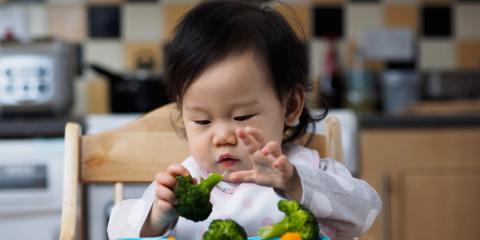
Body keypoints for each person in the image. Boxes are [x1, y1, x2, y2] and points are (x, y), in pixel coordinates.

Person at [107, 1, 381, 239]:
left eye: (242, 116)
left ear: (291, 105)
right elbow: (118, 229)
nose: (222, 136)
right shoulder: (186, 182)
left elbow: (366, 210)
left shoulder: (305, 170)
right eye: (202, 121)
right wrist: (158, 216)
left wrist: (297, 184)